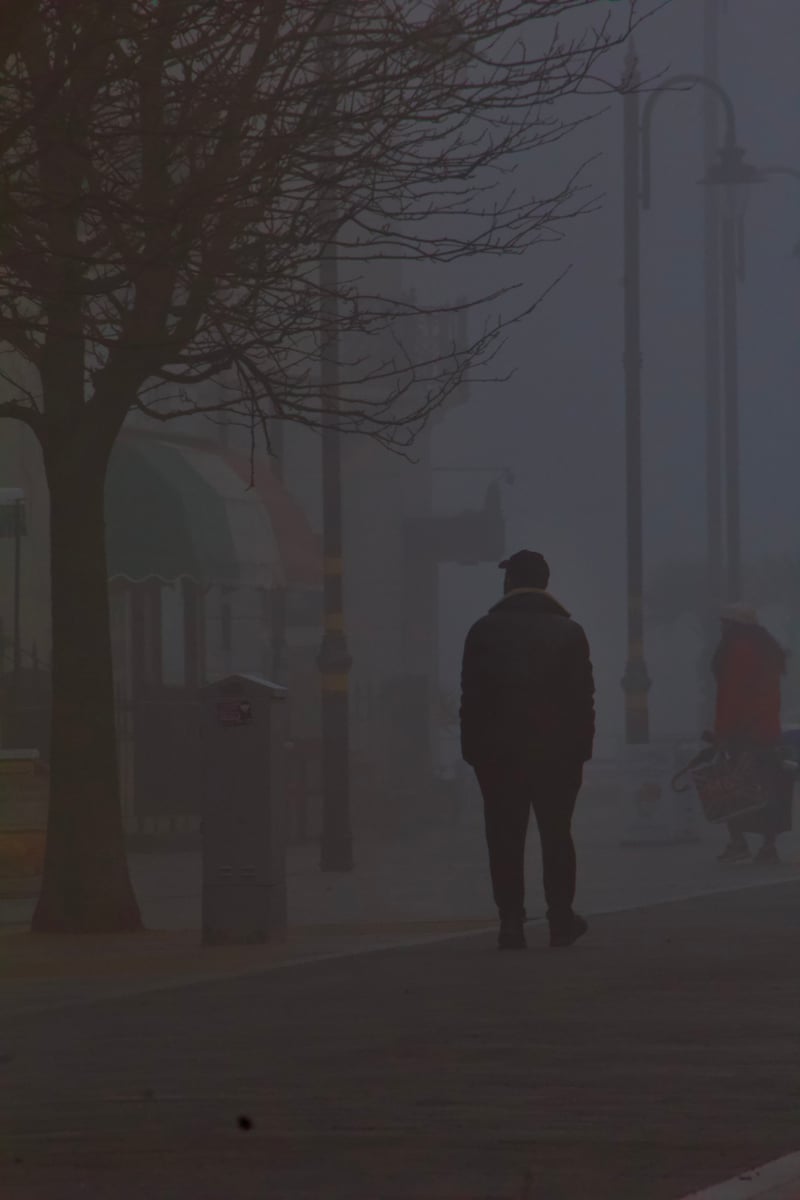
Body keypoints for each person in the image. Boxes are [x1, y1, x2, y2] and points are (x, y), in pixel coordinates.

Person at [459, 550, 595, 950]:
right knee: (557, 834)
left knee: (504, 837)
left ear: (509, 583)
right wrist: (581, 749)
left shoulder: (482, 631)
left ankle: (511, 923)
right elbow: (583, 700)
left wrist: (473, 751)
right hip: (558, 755)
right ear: (545, 583)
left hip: (497, 754)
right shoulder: (571, 633)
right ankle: (560, 919)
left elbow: (472, 699)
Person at [713, 603, 792, 864]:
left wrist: (721, 733)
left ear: (734, 625)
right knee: (768, 789)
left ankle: (738, 842)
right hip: (767, 732)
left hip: (743, 733)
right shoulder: (768, 650)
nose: (721, 627)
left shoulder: (735, 650)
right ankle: (769, 846)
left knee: (732, 789)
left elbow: (730, 697)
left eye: (725, 622)